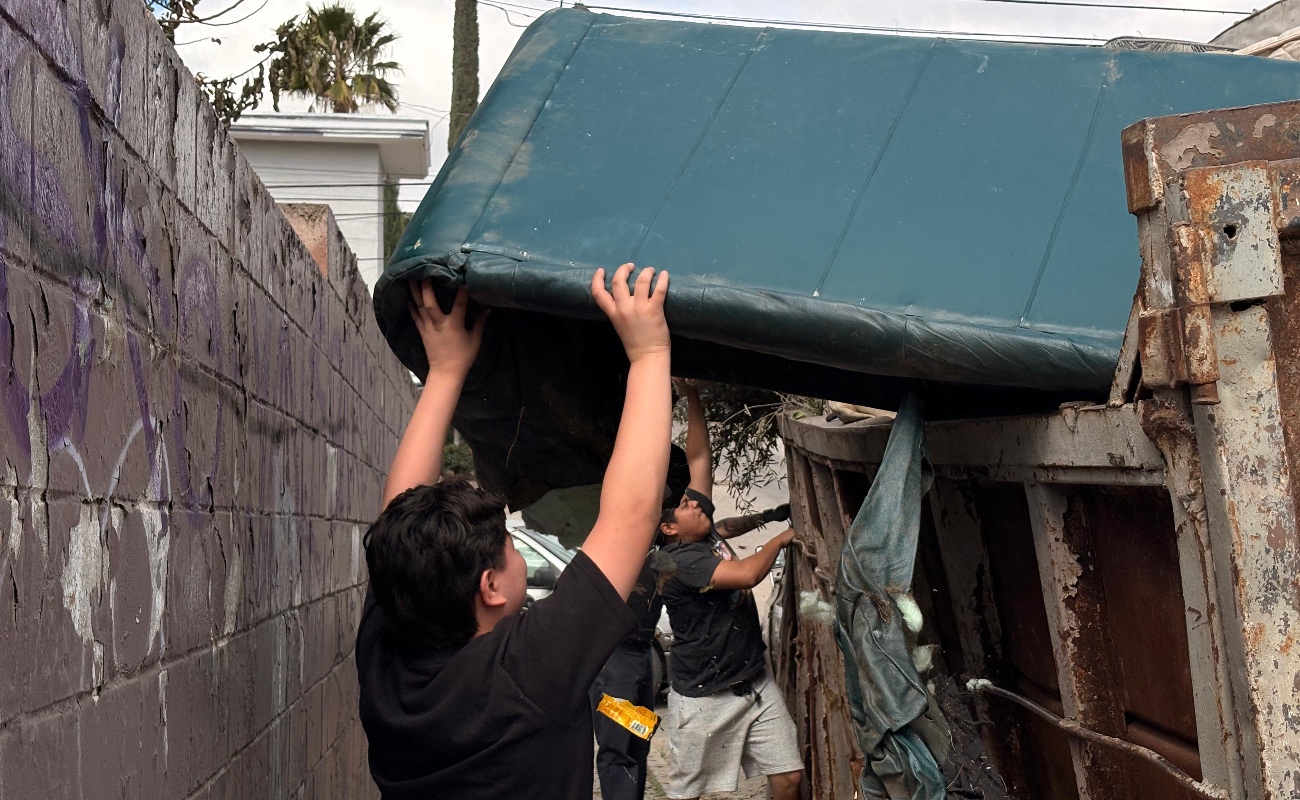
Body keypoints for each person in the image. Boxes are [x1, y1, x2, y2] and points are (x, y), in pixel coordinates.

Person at [355, 263, 672, 800]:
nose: (518, 553)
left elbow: (398, 518)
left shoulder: (392, 661)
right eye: (511, 549)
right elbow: (632, 517)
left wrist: (446, 371)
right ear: (491, 587)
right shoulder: (526, 673)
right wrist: (650, 353)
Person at [657, 382, 805, 800]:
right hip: (705, 698)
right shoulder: (680, 561)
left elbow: (699, 459)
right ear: (669, 529)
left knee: (789, 777)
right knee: (689, 794)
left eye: (693, 500)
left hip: (752, 682)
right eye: (686, 507)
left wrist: (692, 397)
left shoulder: (699, 534)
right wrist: (778, 538)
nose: (696, 504)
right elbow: (745, 576)